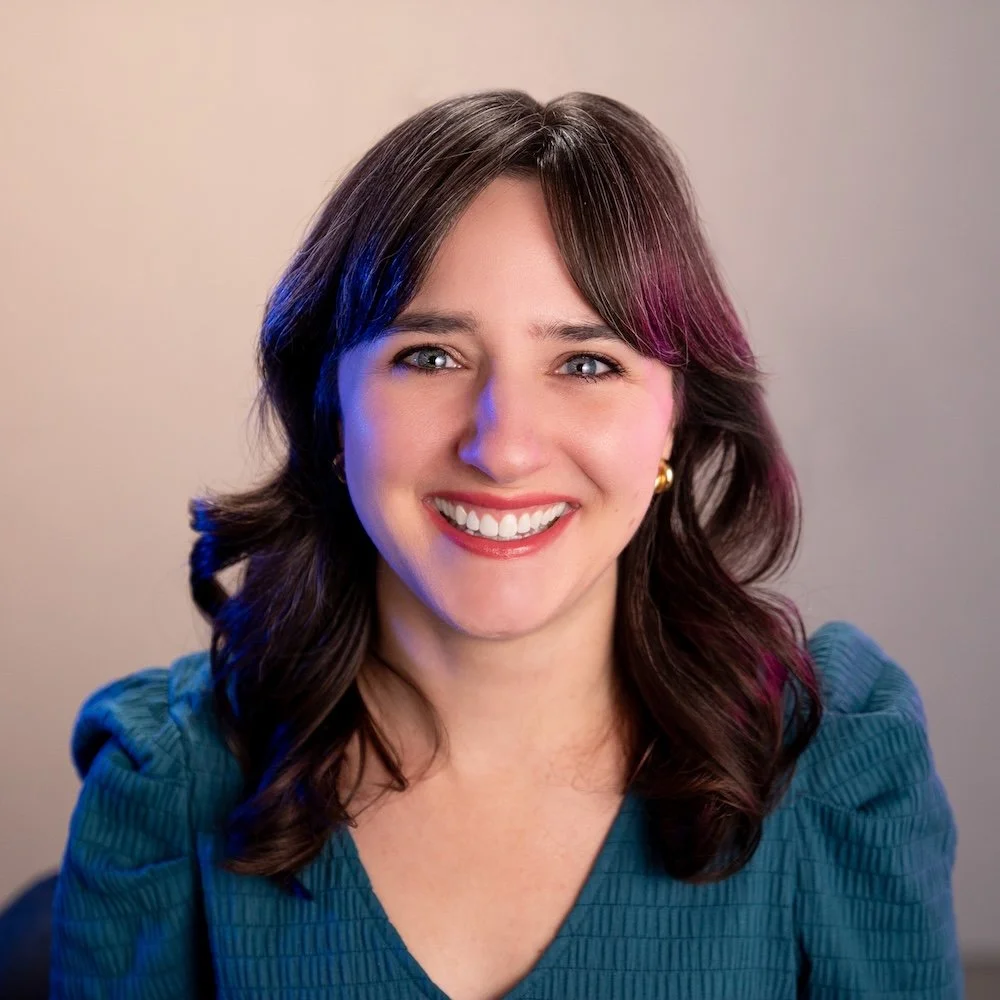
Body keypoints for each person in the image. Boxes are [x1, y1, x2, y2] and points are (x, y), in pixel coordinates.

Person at [49, 89, 962, 999]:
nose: (504, 447)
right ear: (332, 409)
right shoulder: (166, 786)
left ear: (674, 423)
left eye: (587, 363)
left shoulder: (834, 765)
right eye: (430, 356)